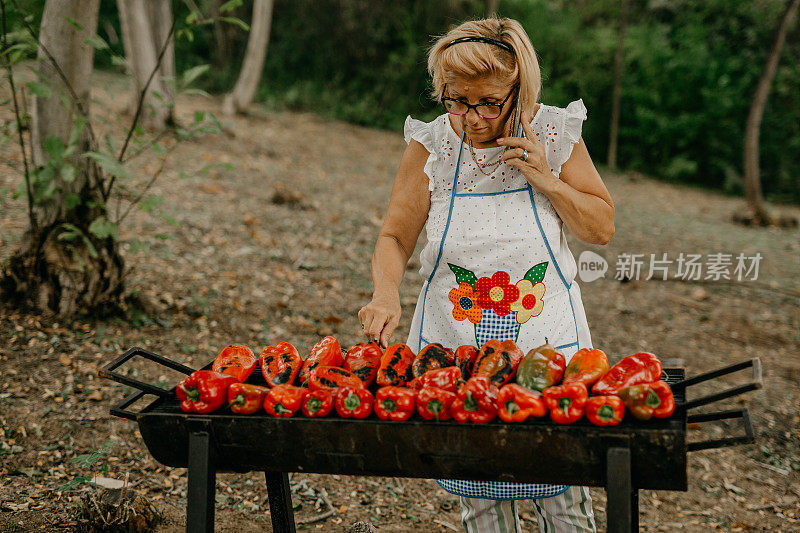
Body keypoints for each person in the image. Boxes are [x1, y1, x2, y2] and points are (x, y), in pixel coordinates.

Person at [358, 15, 613, 533]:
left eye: (488, 102)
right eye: (456, 99)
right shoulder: (433, 146)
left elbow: (601, 227)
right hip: (457, 353)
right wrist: (385, 293)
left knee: (561, 492)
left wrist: (548, 180)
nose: (472, 117)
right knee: (480, 494)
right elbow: (395, 237)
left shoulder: (554, 132)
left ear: (518, 91)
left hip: (547, 346)